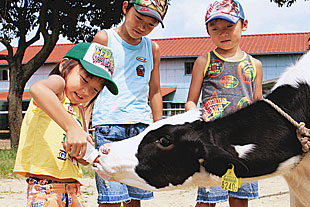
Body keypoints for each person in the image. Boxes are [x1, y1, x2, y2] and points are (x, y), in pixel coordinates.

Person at [13, 42, 118, 207]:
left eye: (95, 90)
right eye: (84, 79)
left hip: (74, 189)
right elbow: (37, 89)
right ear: (64, 66)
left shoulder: (80, 112)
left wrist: (87, 152)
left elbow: (82, 159)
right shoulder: (58, 88)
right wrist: (72, 128)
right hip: (45, 187)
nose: (86, 91)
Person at [185, 0, 263, 207]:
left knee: (240, 199)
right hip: (212, 142)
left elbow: (258, 106)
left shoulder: (254, 65)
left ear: (243, 25)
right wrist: (197, 123)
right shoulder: (204, 61)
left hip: (243, 143)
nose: (223, 33)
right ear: (208, 31)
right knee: (207, 199)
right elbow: (191, 102)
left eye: (229, 26)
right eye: (215, 28)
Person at [91, 0, 169, 206]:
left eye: (150, 25)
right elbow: (90, 83)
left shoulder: (152, 48)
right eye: (139, 18)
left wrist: (159, 127)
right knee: (111, 197)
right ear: (126, 7)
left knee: (136, 196)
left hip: (141, 127)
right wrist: (82, 122)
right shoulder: (104, 39)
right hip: (108, 125)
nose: (142, 27)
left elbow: (155, 90)